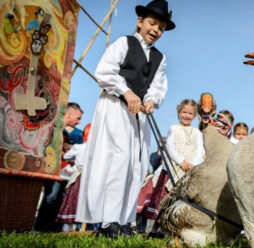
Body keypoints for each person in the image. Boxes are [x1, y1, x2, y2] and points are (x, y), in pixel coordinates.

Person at [76, 0, 175, 238]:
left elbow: (157, 87)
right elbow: (105, 71)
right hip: (115, 108)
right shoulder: (124, 43)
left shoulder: (160, 58)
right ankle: (106, 221)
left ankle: (122, 220)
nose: (155, 30)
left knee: (135, 165)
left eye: (160, 27)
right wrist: (126, 92)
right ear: (140, 21)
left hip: (138, 117)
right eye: (152, 23)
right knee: (115, 160)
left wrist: (152, 100)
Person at [143, 99, 205, 236]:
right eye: (184, 112)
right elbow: (170, 147)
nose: (187, 116)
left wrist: (192, 164)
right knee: (165, 198)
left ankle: (176, 229)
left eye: (190, 113)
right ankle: (155, 229)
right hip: (173, 168)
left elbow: (200, 150)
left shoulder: (197, 132)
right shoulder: (174, 129)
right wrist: (181, 161)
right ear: (179, 112)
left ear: (194, 115)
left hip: (189, 171)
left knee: (183, 200)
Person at [34, 103, 84, 232]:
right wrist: (67, 155)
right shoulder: (54, 127)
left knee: (60, 200)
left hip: (65, 173)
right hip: (54, 170)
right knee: (51, 197)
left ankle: (53, 229)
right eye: (78, 118)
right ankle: (40, 228)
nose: (79, 122)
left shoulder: (65, 132)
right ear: (69, 114)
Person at [55, 124, 92, 229]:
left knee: (72, 201)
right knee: (86, 202)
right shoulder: (96, 149)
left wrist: (75, 161)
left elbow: (66, 156)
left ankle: (66, 228)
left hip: (78, 176)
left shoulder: (79, 147)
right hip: (89, 178)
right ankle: (82, 229)